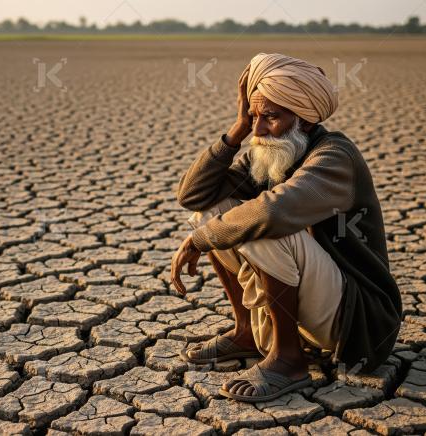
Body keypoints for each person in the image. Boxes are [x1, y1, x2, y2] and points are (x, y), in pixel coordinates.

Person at [170, 52, 401, 403]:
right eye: (254, 116)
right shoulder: (269, 152)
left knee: (263, 225)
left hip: (357, 318)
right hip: (317, 301)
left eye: (271, 117)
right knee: (212, 213)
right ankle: (247, 332)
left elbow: (273, 212)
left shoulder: (335, 156)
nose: (259, 130)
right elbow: (193, 196)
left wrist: (200, 240)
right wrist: (237, 130)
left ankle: (289, 359)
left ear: (304, 120)